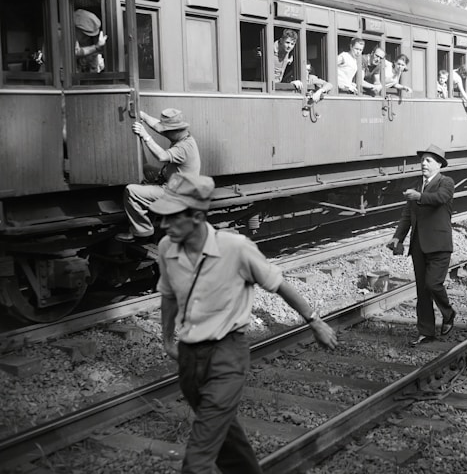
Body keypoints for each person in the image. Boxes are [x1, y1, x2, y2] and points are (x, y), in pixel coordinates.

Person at [151, 173, 337, 474]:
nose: (163, 225)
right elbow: (169, 296)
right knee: (227, 442)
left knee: (197, 460)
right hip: (189, 360)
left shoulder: (236, 248)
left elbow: (278, 284)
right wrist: (167, 339)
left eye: (171, 218)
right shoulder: (166, 248)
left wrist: (314, 321)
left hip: (227, 357)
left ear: (197, 216)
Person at [386, 144, 457, 346]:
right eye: (422, 160)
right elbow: (407, 215)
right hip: (418, 246)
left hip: (439, 244)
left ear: (439, 164)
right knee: (422, 291)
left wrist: (419, 197)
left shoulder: (446, 182)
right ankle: (426, 331)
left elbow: (441, 198)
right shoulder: (417, 186)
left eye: (428, 160)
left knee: (433, 284)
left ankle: (448, 313)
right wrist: (397, 237)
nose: (423, 163)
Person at [116, 108, 201, 243]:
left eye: (166, 131)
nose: (163, 132)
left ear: (174, 131)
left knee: (131, 191)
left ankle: (142, 231)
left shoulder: (184, 147)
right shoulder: (183, 136)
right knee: (147, 170)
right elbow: (158, 126)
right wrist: (143, 115)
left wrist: (145, 135)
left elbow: (162, 156)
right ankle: (150, 216)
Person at [73, 9, 107, 73]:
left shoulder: (85, 41)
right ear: (76, 29)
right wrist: (96, 47)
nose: (86, 39)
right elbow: (75, 52)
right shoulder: (60, 34)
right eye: (85, 35)